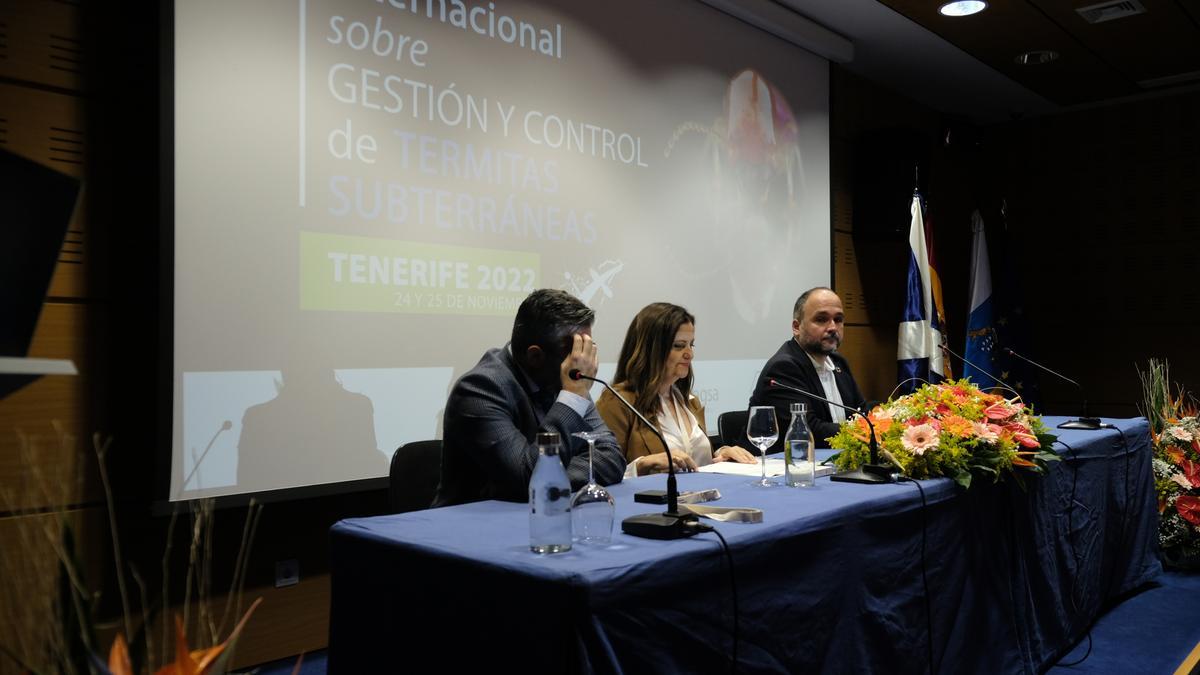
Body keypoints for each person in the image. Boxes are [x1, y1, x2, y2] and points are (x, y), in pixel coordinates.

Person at [432, 289, 625, 506]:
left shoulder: (565, 379)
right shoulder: (479, 389)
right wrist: (572, 397)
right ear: (535, 356)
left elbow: (611, 458)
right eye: (576, 354)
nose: (584, 361)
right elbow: (531, 480)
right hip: (469, 530)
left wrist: (554, 478)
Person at [597, 303, 757, 476]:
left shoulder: (688, 400)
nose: (690, 354)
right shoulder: (617, 401)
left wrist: (720, 455)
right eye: (679, 346)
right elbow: (602, 473)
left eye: (691, 345)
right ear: (651, 349)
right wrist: (641, 465)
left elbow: (691, 461)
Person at [747, 287, 866, 451]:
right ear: (797, 327)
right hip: (784, 468)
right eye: (822, 319)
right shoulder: (784, 368)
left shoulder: (839, 363)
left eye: (838, 319)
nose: (832, 327)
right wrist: (864, 431)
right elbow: (808, 430)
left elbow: (861, 412)